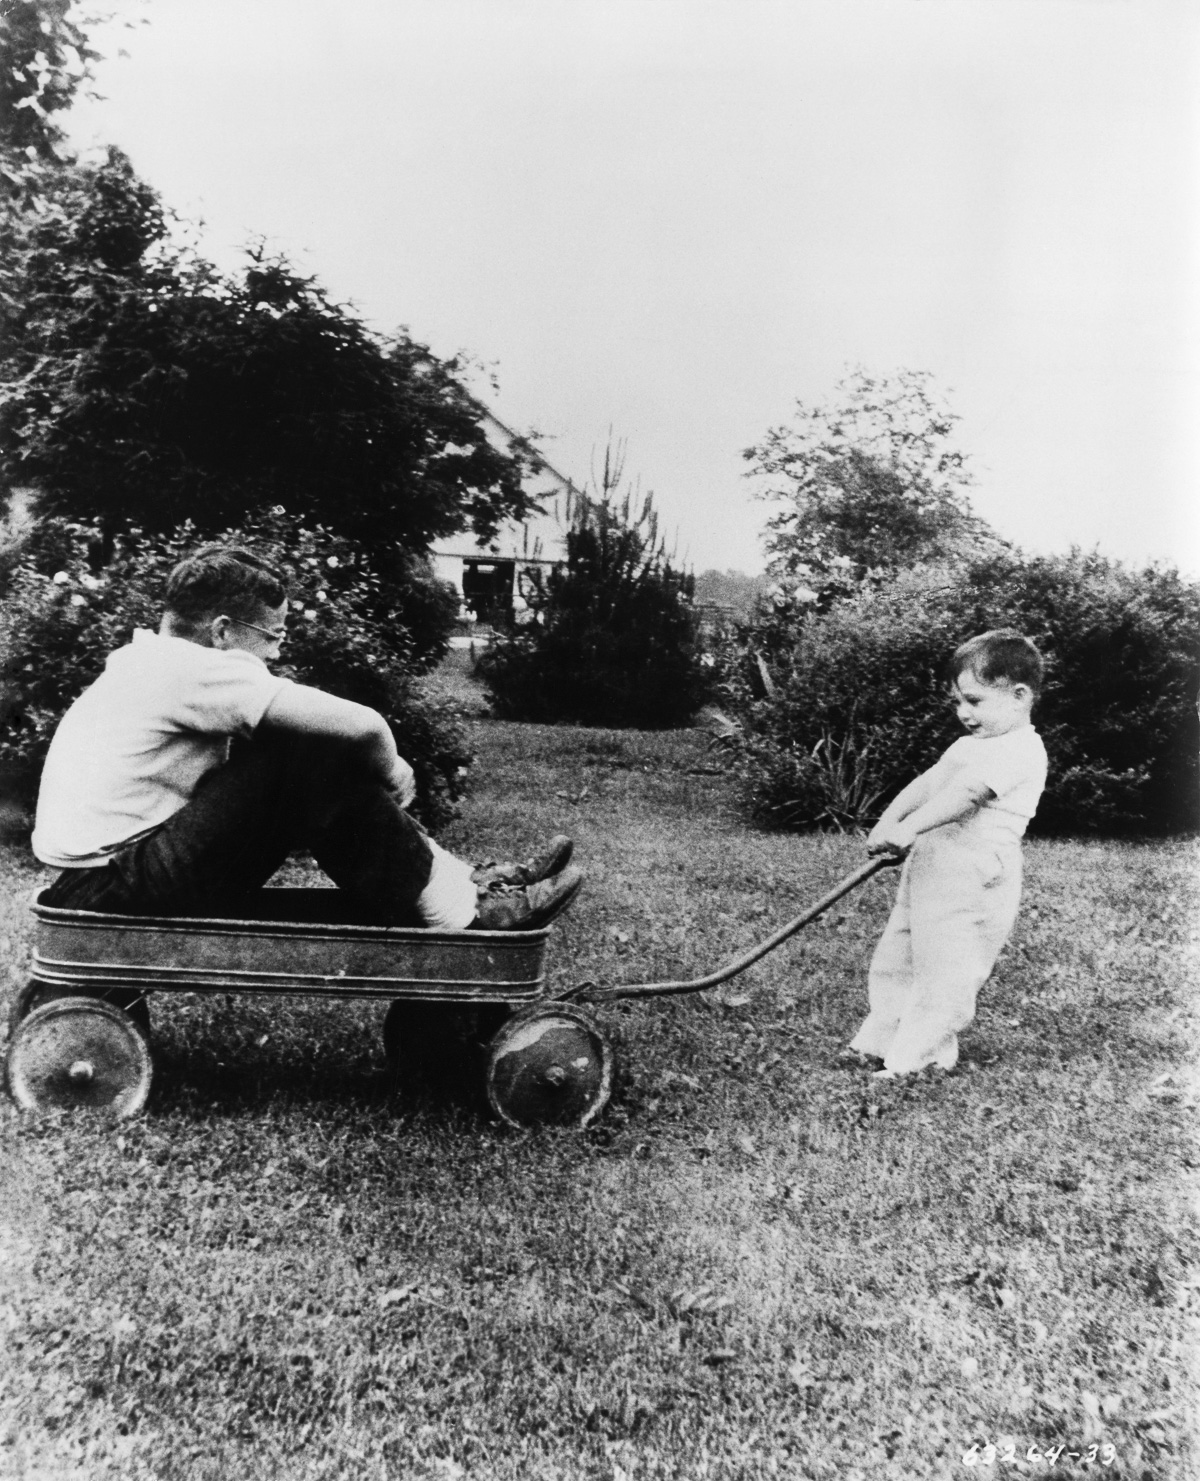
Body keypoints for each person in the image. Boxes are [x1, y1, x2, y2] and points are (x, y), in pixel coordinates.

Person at [31, 545, 583, 932]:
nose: (275, 653)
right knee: (311, 750)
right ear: (222, 631)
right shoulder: (188, 667)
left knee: (303, 751)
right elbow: (365, 724)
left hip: (107, 876)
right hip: (113, 886)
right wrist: (393, 770)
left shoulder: (150, 661)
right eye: (271, 637)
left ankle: (462, 884)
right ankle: (464, 909)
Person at [843, 629, 1048, 1078]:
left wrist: (911, 828)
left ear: (1019, 695)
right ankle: (880, 1039)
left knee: (945, 967)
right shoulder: (968, 746)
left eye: (973, 701)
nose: (963, 714)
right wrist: (888, 824)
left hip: (974, 876)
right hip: (932, 866)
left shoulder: (1021, 749)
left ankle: (920, 1057)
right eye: (957, 703)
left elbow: (967, 797)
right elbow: (928, 785)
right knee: (898, 954)